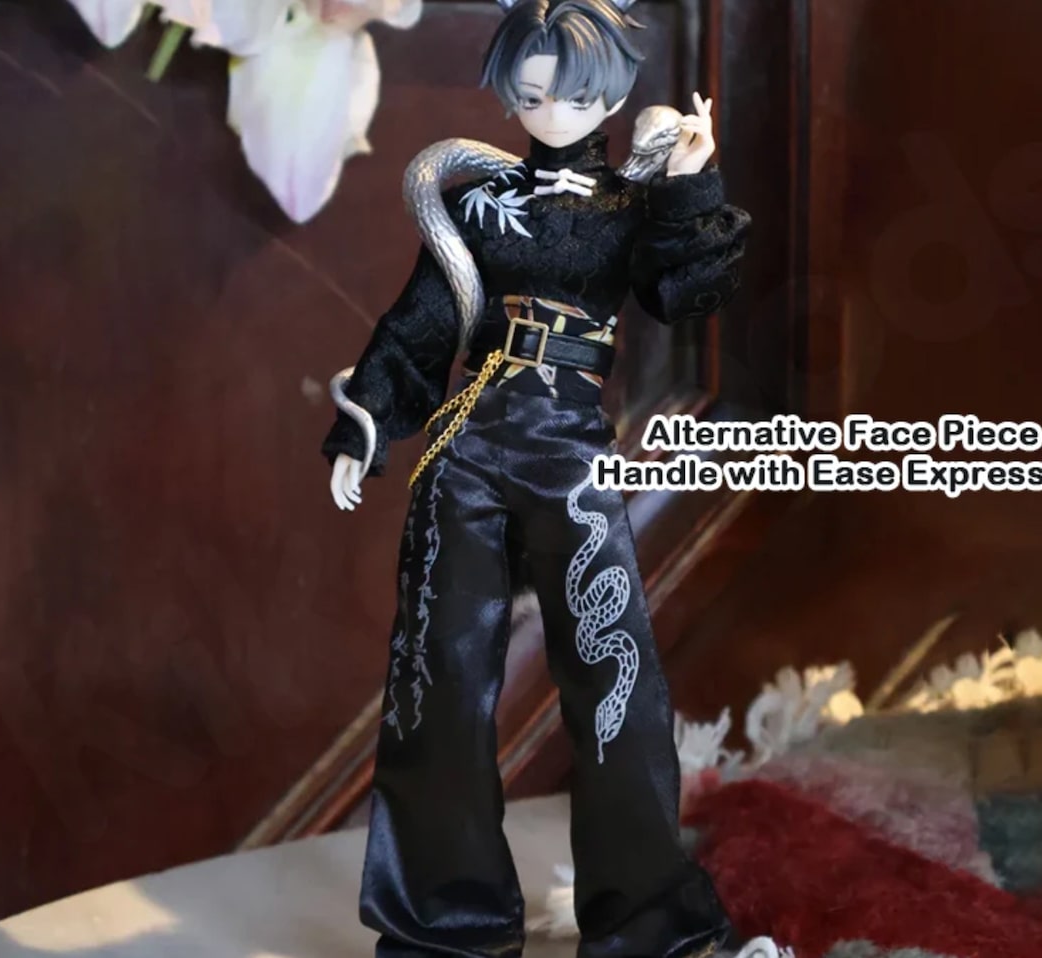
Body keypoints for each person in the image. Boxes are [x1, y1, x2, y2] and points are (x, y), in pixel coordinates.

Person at [321, 3, 755, 958]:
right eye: (530, 93)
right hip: (468, 444)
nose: (553, 109)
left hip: (569, 451)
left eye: (576, 93)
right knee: (438, 682)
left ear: (615, 91)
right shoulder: (478, 201)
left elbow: (685, 293)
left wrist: (691, 183)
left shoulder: (632, 206)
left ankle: (648, 926)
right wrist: (365, 428)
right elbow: (423, 320)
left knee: (615, 682)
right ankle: (444, 926)